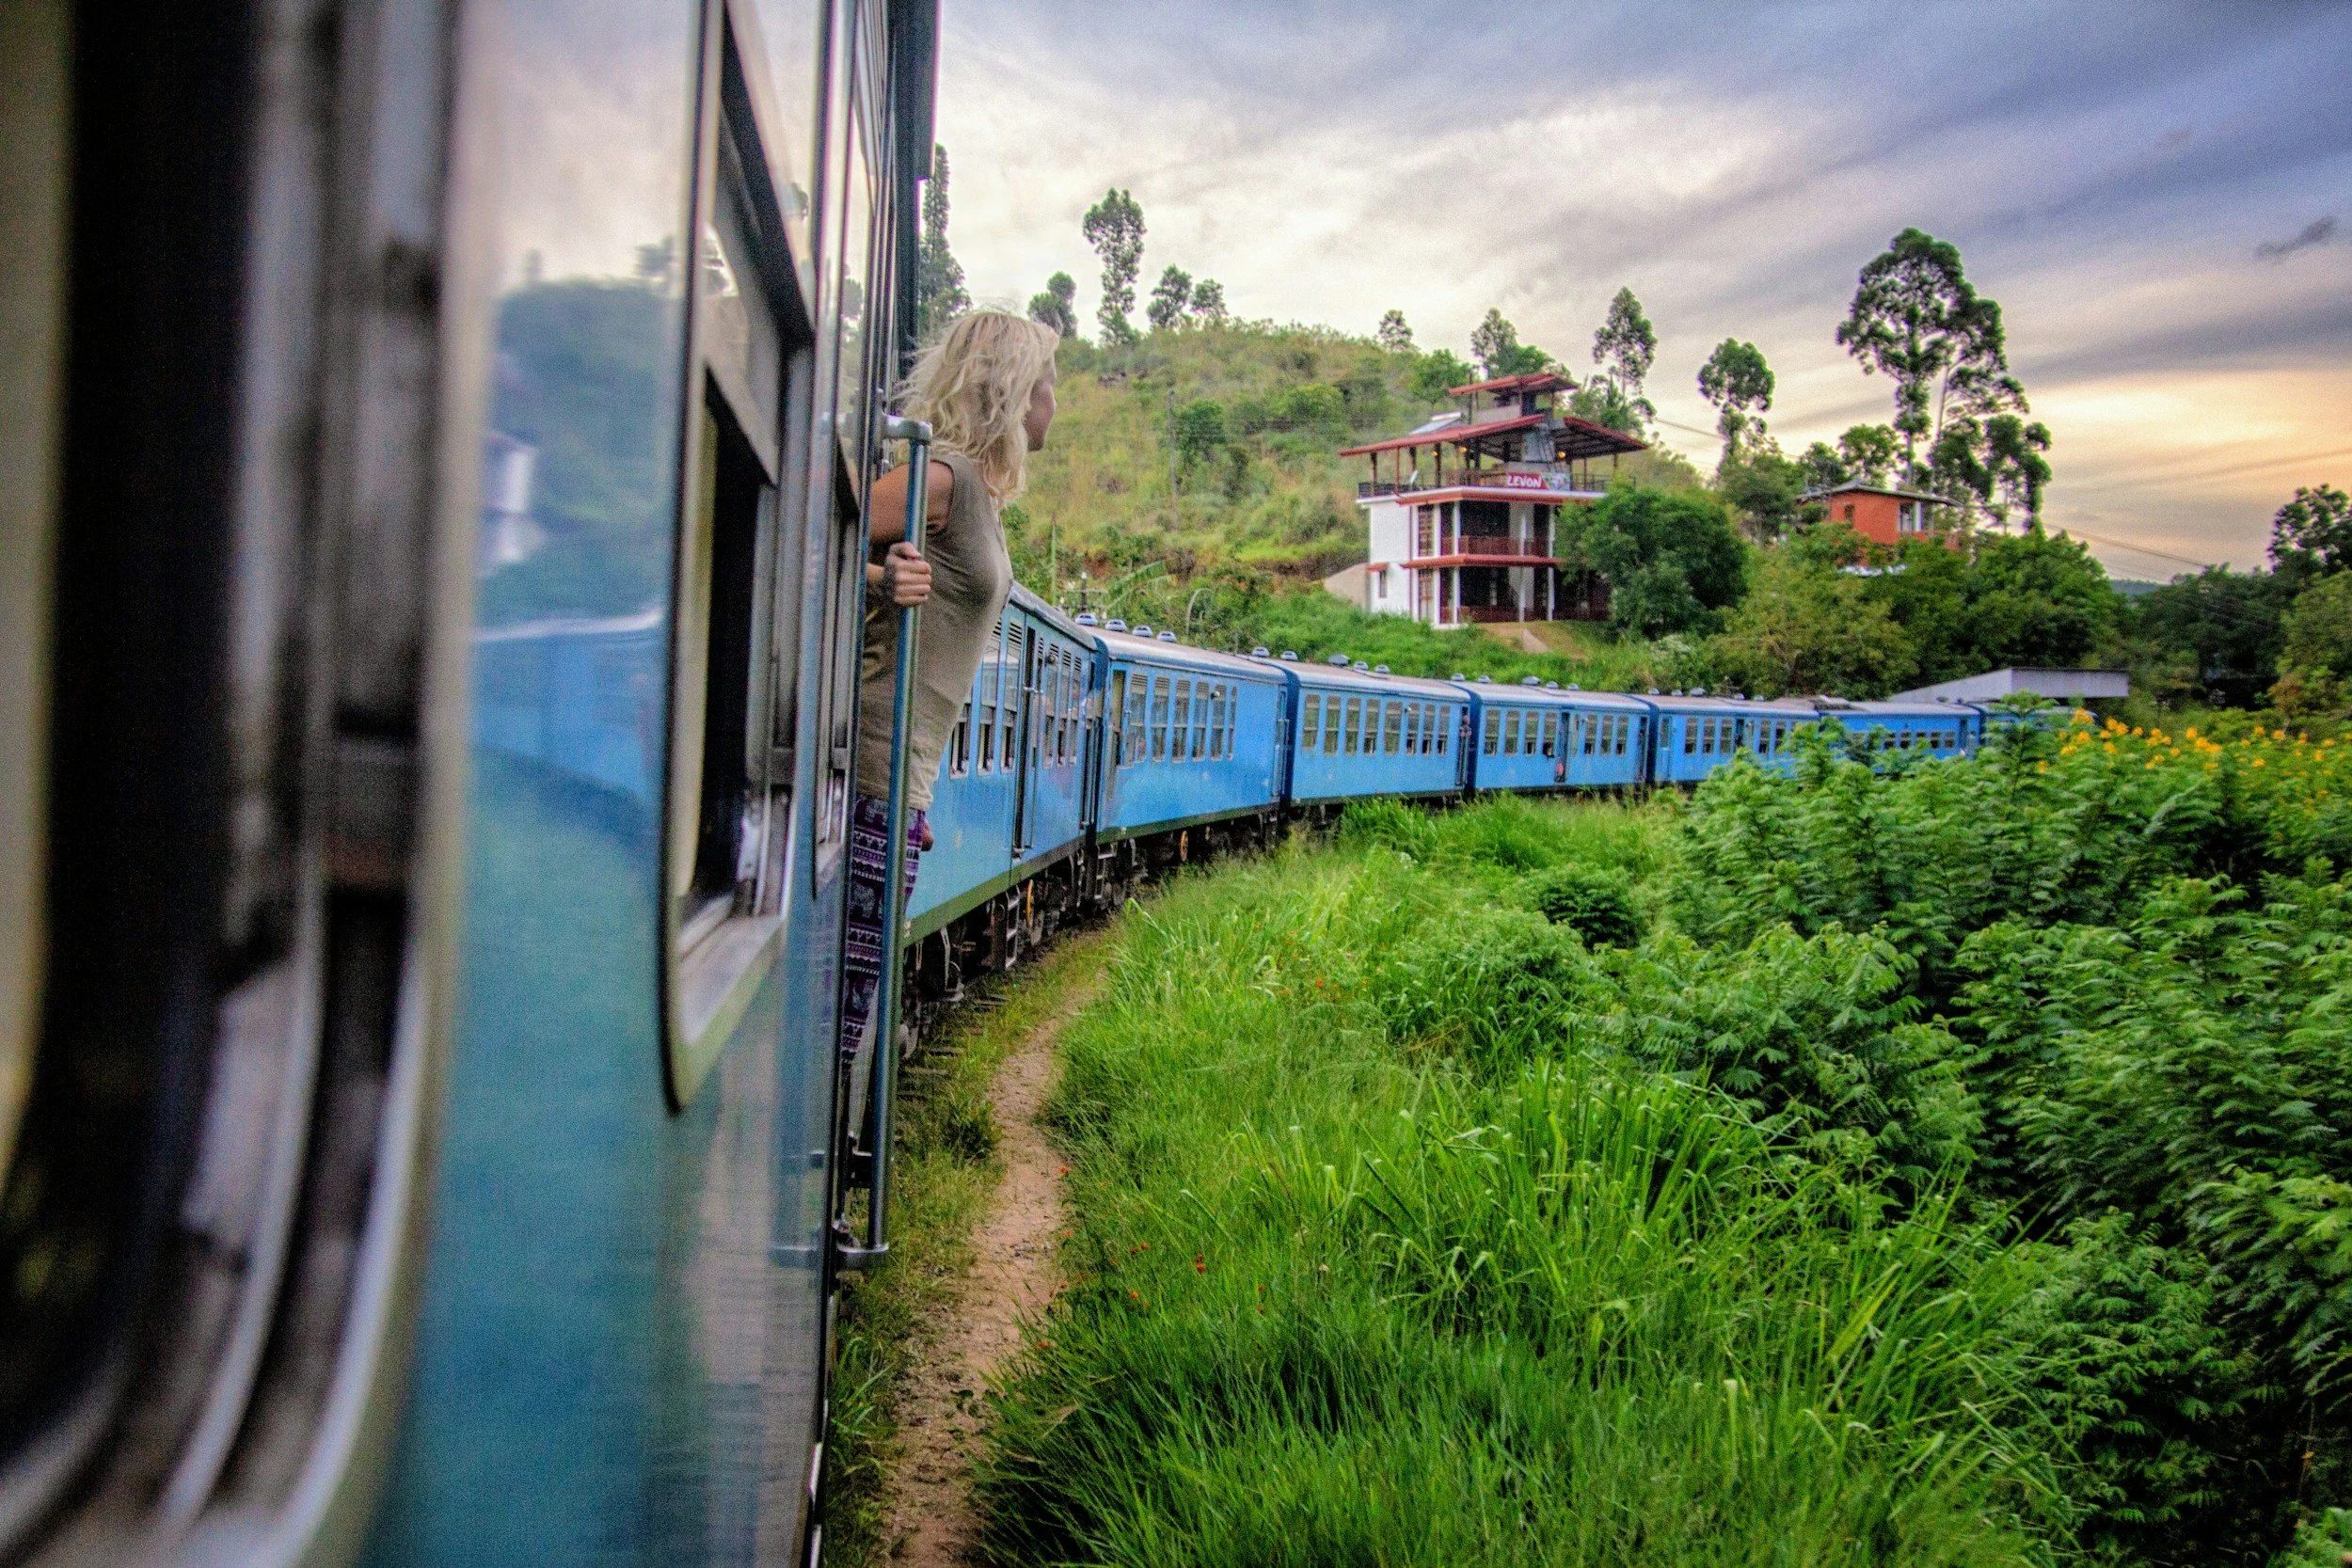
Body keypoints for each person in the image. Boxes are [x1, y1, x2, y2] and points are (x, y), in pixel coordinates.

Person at [837, 309, 1059, 1074]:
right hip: (872, 770)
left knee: (853, 1001)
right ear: (1011, 389)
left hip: (901, 783)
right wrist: (877, 575)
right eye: (1046, 384)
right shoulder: (946, 479)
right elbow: (808, 528)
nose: (1053, 404)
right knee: (840, 1015)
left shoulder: (980, 499)